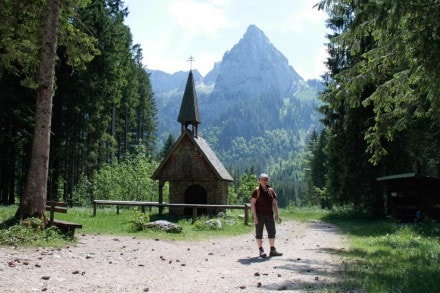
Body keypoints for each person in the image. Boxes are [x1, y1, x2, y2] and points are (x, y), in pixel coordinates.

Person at [251, 173, 282, 258]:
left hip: (269, 215)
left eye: (266, 179)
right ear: (259, 180)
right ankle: (261, 250)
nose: (264, 181)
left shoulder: (271, 190)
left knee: (272, 232)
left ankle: (272, 250)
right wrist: (255, 216)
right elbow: (253, 204)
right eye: (262, 179)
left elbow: (274, 203)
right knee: (259, 233)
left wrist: (276, 214)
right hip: (259, 215)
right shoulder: (256, 191)